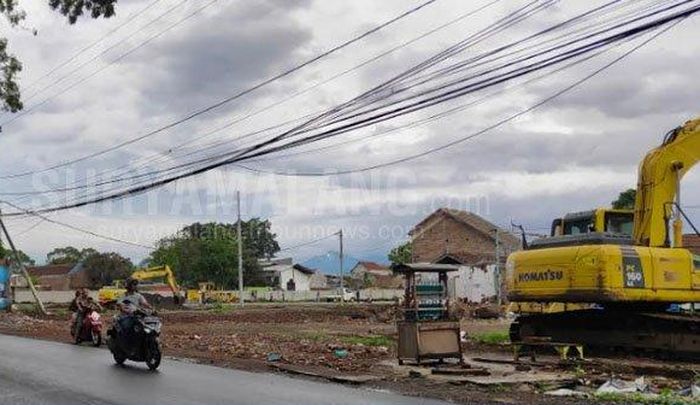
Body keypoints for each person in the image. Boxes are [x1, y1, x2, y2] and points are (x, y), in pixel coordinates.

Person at [116, 278, 151, 343]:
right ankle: (125, 343)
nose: (135, 286)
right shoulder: (123, 296)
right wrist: (125, 309)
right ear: (129, 285)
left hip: (137, 316)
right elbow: (120, 305)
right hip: (126, 317)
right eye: (134, 284)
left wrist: (151, 308)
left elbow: (145, 303)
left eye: (136, 284)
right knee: (126, 328)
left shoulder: (138, 296)